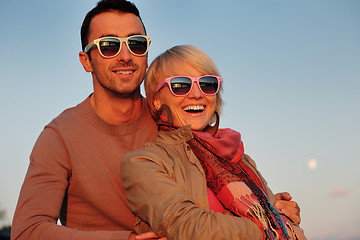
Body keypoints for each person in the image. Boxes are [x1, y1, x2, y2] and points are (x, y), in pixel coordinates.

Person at [11, 0, 300, 239]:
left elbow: (223, 185)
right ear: (86, 60)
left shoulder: (175, 118)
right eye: (109, 46)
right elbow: (27, 231)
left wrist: (277, 208)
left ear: (147, 54)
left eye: (136, 43)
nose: (125, 55)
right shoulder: (60, 135)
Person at [121, 45, 307, 239]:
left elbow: (284, 219)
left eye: (207, 84)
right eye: (180, 85)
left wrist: (283, 215)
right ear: (157, 99)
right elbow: (189, 225)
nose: (197, 94)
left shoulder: (239, 158)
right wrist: (273, 227)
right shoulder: (143, 162)